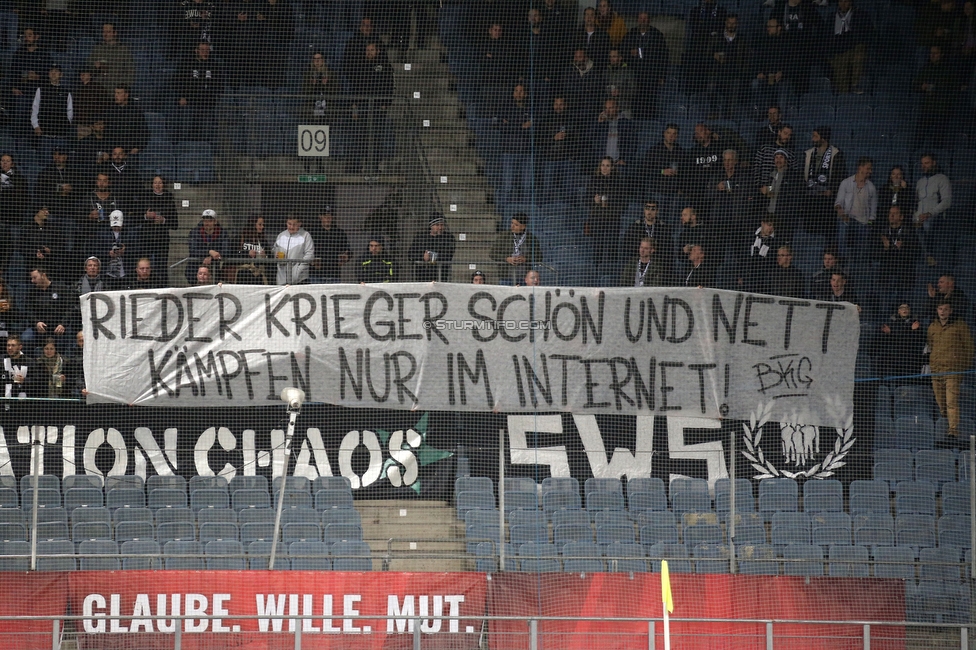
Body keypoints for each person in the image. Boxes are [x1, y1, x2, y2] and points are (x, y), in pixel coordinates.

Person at [928, 300, 974, 441]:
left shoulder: (960, 325)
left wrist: (964, 367)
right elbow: (930, 344)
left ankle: (953, 431)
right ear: (937, 310)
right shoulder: (933, 327)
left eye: (946, 309)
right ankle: (945, 421)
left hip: (953, 370)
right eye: (940, 309)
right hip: (936, 370)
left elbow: (969, 346)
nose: (943, 311)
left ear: (951, 311)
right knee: (940, 401)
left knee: (951, 401)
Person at [801, 127, 846, 237]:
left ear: (824, 138)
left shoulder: (836, 154)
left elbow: (841, 177)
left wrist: (832, 191)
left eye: (815, 136)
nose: (813, 139)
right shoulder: (808, 154)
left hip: (827, 203)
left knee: (826, 233)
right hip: (810, 202)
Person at [834, 157, 877, 266]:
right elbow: (838, 202)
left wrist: (869, 224)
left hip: (863, 224)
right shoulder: (845, 183)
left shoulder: (871, 187)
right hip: (847, 221)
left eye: (871, 169)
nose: (870, 171)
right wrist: (841, 212)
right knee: (844, 248)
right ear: (860, 168)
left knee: (861, 254)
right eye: (868, 168)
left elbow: (873, 211)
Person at [176, 42, 222, 141]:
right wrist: (182, 96)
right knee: (187, 130)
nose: (205, 52)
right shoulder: (188, 64)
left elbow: (219, 84)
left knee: (206, 131)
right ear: (196, 51)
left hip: (208, 104)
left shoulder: (214, 65)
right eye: (202, 50)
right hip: (190, 103)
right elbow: (179, 81)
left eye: (207, 50)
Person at [914, 152, 952, 267]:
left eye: (927, 163)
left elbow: (946, 202)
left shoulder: (942, 179)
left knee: (926, 225)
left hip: (934, 216)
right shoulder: (920, 182)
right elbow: (916, 202)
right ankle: (926, 256)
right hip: (918, 216)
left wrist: (930, 213)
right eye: (922, 164)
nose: (924, 166)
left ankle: (928, 255)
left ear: (934, 163)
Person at [586, 157, 625, 270]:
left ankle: (611, 271)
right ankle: (597, 269)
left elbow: (623, 201)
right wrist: (594, 201)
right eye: (603, 165)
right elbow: (586, 200)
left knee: (613, 245)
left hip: (612, 219)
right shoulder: (593, 180)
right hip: (597, 218)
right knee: (597, 245)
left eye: (607, 165)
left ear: (612, 167)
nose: (604, 168)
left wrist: (613, 207)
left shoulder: (618, 182)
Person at [24, 265, 72, 347]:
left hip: (58, 327)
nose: (32, 281)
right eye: (31, 278)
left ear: (43, 275)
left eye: (35, 278)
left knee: (68, 338)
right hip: (40, 329)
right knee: (26, 337)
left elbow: (69, 308)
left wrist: (63, 324)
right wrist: (37, 322)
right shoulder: (31, 293)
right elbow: (28, 311)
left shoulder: (60, 288)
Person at [622, 200, 674, 273]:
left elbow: (668, 250)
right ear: (644, 210)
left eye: (653, 209)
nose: (649, 212)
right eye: (647, 208)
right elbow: (628, 247)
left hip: (658, 264)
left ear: (657, 211)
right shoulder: (635, 227)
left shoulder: (664, 228)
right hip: (639, 262)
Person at [491, 212, 543, 284]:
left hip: (525, 277)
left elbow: (539, 257)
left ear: (523, 226)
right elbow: (492, 254)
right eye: (512, 223)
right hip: (506, 276)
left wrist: (525, 259)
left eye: (516, 225)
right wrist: (506, 259)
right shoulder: (503, 236)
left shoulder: (531, 238)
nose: (512, 226)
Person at [877, 303, 925, 381]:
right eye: (902, 308)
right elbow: (892, 340)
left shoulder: (915, 322)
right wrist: (910, 331)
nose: (904, 310)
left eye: (906, 308)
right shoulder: (891, 322)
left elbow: (915, 340)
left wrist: (892, 333)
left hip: (910, 357)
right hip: (895, 357)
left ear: (909, 310)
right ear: (898, 311)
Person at [140, 176, 179, 268]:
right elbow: (135, 218)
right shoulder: (145, 197)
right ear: (152, 184)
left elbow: (175, 224)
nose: (157, 185)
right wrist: (146, 216)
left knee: (161, 267)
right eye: (155, 183)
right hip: (146, 238)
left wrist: (163, 221)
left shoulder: (169, 199)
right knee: (146, 265)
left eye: (160, 183)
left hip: (162, 240)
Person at [306, 207, 351, 284]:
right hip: (316, 274)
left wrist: (346, 257)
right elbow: (306, 251)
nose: (327, 219)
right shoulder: (312, 233)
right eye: (325, 217)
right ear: (320, 217)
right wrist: (311, 261)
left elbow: (348, 251)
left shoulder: (340, 233)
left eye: (329, 217)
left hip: (334, 273)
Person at [31, 62, 73, 142]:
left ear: (61, 74)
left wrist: (67, 124)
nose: (53, 73)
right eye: (51, 71)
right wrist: (36, 125)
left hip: (61, 133)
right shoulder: (41, 89)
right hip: (44, 132)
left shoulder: (66, 92)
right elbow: (35, 108)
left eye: (56, 71)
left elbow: (69, 110)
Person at [35, 146, 80, 222]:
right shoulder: (45, 172)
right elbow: (39, 191)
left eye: (60, 154)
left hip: (70, 211)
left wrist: (71, 189)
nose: (57, 157)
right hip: (52, 210)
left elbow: (80, 189)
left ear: (65, 156)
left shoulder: (74, 172)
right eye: (55, 154)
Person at [408, 213, 456, 282]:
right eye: (437, 225)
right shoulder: (420, 237)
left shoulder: (449, 238)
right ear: (431, 226)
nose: (440, 228)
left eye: (442, 225)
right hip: (422, 275)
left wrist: (432, 257)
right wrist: (422, 257)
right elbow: (410, 254)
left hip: (440, 275)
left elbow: (448, 255)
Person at [87, 23, 135, 91]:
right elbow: (88, 69)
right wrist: (95, 67)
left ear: (115, 33)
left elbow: (130, 71)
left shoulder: (124, 50)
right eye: (104, 32)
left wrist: (123, 88)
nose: (105, 34)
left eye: (108, 32)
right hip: (99, 90)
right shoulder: (97, 49)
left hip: (116, 90)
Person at [187, 208, 229, 284]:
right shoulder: (194, 232)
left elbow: (226, 251)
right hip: (195, 266)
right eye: (205, 220)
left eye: (210, 221)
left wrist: (212, 257)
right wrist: (209, 252)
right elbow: (193, 250)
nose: (207, 223)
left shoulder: (223, 233)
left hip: (215, 265)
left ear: (215, 221)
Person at [105, 84, 149, 156]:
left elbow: (143, 131)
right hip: (113, 151)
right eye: (115, 93)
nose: (116, 95)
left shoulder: (135, 112)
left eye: (119, 93)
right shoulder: (110, 111)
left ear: (126, 95)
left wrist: (138, 147)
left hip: (130, 151)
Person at [97, 210, 139, 284]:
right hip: (108, 273)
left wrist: (125, 251)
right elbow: (96, 250)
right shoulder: (102, 234)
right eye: (114, 226)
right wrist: (108, 253)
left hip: (126, 272)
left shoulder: (130, 233)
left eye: (118, 226)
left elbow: (137, 250)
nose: (116, 228)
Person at [273, 216, 315, 285]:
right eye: (289, 224)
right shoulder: (281, 236)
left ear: (299, 224)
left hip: (300, 280)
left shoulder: (306, 236)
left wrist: (297, 271)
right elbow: (275, 250)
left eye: (294, 224)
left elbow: (309, 255)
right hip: (282, 280)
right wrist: (276, 255)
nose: (291, 227)